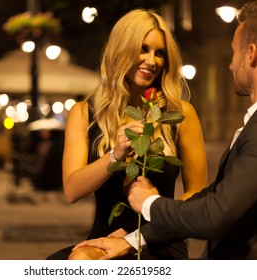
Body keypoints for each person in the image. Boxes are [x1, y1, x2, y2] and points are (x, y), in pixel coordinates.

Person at [74, 0, 257, 259]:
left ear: (252, 54)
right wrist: (134, 240)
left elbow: (215, 214)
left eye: (233, 52)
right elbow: (213, 197)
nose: (231, 65)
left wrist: (149, 203)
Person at [46, 9, 207, 260]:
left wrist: (142, 235)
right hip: (105, 238)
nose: (152, 61)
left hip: (160, 240)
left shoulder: (179, 114)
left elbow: (196, 195)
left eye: (160, 53)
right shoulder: (85, 114)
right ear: (121, 50)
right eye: (143, 49)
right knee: (79, 262)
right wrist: (115, 155)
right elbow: (72, 190)